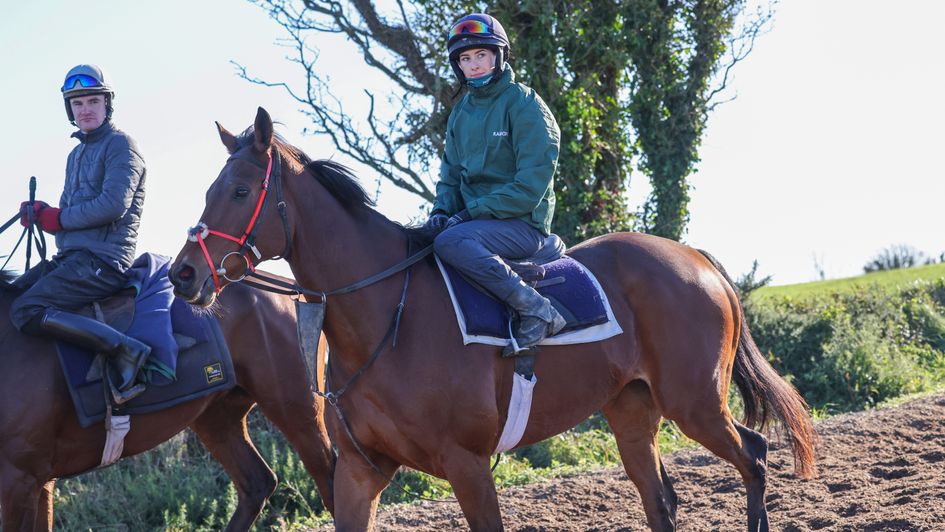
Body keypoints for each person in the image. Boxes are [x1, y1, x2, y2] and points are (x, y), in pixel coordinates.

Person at [427, 13, 566, 355]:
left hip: (522, 225)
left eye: (481, 55)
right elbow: (450, 176)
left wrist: (469, 213)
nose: (473, 65)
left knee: (450, 242)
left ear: (498, 56)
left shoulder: (526, 105)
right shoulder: (460, 113)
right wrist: (441, 212)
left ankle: (536, 309)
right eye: (465, 59)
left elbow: (529, 187)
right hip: (474, 224)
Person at [12, 64, 148, 403]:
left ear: (107, 104)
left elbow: (112, 206)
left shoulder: (122, 145)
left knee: (26, 310)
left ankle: (124, 349)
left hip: (104, 262)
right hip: (73, 258)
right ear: (69, 110)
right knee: (9, 297)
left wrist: (56, 218)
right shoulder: (76, 154)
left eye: (92, 101)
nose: (85, 109)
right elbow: (72, 215)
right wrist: (41, 214)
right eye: (77, 103)